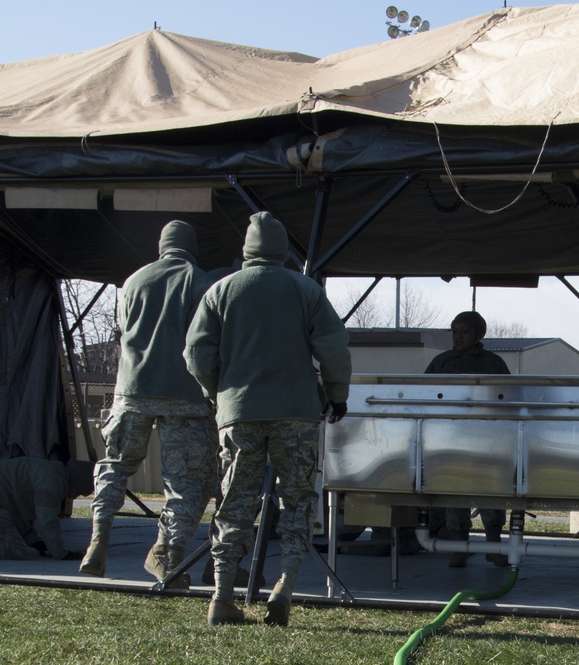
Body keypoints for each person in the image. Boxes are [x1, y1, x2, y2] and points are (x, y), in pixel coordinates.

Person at [184, 210, 352, 628]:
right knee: (296, 500)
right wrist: (337, 395)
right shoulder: (305, 290)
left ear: (246, 248)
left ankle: (222, 597)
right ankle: (285, 587)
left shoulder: (220, 291)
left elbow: (196, 355)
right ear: (282, 250)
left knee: (235, 503)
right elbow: (333, 348)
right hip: (296, 412)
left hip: (238, 414)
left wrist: (218, 393)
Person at [79, 220, 215, 586]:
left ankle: (98, 541)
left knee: (115, 465)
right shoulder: (198, 280)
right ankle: (170, 559)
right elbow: (204, 338)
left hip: (130, 389)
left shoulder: (132, 281)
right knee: (182, 482)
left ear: (161, 246)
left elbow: (124, 329)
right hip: (183, 396)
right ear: (191, 247)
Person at [424, 311, 509, 569]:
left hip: (486, 443)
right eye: (455, 331)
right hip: (450, 440)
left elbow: (506, 398)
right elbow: (425, 395)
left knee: (491, 496)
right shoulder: (441, 362)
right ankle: (459, 547)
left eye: (465, 331)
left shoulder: (493, 364)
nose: (458, 337)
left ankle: (494, 547)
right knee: (454, 495)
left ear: (478, 334)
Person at [0, 457, 93, 560]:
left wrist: (35, 541)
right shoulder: (53, 484)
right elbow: (47, 522)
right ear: (76, 484)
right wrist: (60, 553)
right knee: (12, 552)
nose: (73, 497)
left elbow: (18, 512)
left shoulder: (52, 472)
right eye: (78, 492)